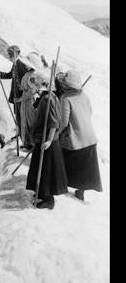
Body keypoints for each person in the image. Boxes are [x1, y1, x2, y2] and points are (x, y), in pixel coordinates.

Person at [25, 72, 68, 209]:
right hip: (41, 140)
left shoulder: (49, 98)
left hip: (47, 141)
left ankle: (48, 200)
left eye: (36, 84)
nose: (35, 87)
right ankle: (41, 193)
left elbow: (54, 123)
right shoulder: (45, 97)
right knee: (40, 168)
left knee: (47, 171)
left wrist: (49, 140)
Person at [58, 69, 102, 201]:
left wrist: (57, 133)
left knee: (65, 157)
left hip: (76, 137)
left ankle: (62, 184)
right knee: (84, 165)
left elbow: (64, 122)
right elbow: (90, 112)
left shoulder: (65, 98)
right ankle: (81, 190)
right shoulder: (84, 95)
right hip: (89, 136)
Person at [0, 45, 33, 144]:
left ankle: (26, 139)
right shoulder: (15, 64)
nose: (9, 55)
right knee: (18, 115)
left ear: (17, 53)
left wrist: (23, 92)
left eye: (11, 53)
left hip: (21, 95)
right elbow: (10, 75)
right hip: (16, 95)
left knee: (23, 117)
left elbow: (29, 78)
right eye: (9, 54)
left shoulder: (22, 64)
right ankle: (21, 134)